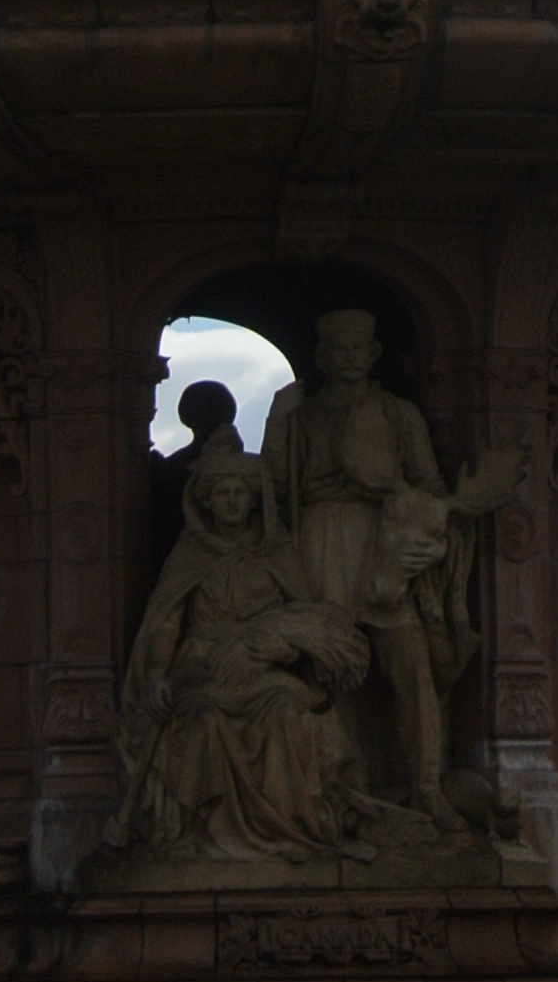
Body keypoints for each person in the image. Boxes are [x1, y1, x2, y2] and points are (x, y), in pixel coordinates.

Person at [261, 309, 515, 814]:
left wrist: (433, 538)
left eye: (359, 348)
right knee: (325, 667)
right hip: (320, 541)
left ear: (373, 354)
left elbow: (431, 487)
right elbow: (274, 487)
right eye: (339, 349)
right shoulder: (304, 417)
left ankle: (426, 786)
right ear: (322, 358)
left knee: (410, 662)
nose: (350, 358)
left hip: (386, 543)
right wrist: (276, 422)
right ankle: (337, 787)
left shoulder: (400, 414)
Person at [111, 437, 371, 863]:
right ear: (207, 501)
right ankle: (206, 832)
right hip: (204, 672)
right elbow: (166, 622)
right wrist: (156, 675)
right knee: (205, 720)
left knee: (285, 713)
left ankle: (289, 830)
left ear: (253, 499)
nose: (232, 502)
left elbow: (303, 623)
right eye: (222, 493)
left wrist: (277, 649)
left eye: (240, 493)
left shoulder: (277, 551)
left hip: (264, 674)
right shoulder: (189, 555)